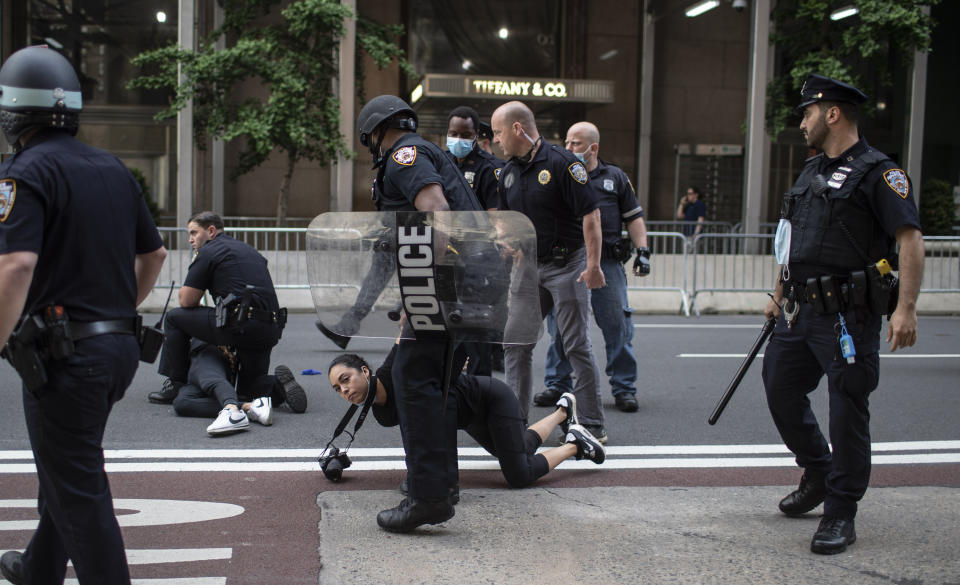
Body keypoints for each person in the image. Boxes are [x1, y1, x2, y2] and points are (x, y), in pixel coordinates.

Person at [0, 46, 167, 585]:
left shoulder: (22, 172)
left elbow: (16, 265)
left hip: (64, 354)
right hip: (118, 348)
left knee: (78, 486)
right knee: (68, 465)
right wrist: (116, 312)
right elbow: (155, 254)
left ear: (12, 114)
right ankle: (38, 569)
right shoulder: (113, 168)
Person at [761, 74, 924, 555]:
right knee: (779, 386)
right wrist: (776, 293)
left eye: (808, 112)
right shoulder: (809, 171)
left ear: (832, 114)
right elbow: (789, 238)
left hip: (848, 316)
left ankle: (840, 511)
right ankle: (818, 469)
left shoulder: (879, 173)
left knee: (847, 409)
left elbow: (910, 240)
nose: (803, 121)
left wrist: (907, 309)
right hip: (800, 310)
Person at [355, 94, 483, 532]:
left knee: (412, 381)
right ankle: (440, 485)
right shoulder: (426, 151)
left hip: (442, 284)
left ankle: (427, 497)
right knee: (435, 384)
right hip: (457, 285)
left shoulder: (403, 154)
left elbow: (435, 209)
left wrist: (432, 284)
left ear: (375, 131)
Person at [328, 347, 605, 492]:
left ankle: (575, 444)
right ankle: (563, 412)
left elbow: (406, 339)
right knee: (520, 450)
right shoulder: (380, 411)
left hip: (490, 399)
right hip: (468, 417)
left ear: (364, 371)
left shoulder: (392, 370)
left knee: (518, 475)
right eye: (338, 389)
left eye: (346, 379)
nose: (345, 390)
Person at [491, 101, 608, 442]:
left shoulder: (563, 164)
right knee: (516, 343)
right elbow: (505, 219)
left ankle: (591, 424)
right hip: (528, 266)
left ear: (517, 129)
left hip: (567, 266)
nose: (496, 140)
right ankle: (514, 422)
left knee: (575, 345)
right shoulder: (507, 172)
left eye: (499, 132)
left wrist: (593, 265)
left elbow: (591, 216)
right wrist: (505, 239)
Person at [538, 121, 651, 414]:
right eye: (567, 142)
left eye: (575, 143)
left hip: (606, 265)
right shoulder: (558, 173)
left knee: (617, 327)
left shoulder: (615, 177)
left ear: (593, 147)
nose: (569, 148)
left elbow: (634, 217)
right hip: (569, 263)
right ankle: (557, 384)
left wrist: (643, 251)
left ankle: (624, 388)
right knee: (561, 329)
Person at [150, 211, 307, 413]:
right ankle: (277, 386)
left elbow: (187, 300)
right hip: (270, 329)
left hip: (240, 325)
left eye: (193, 233)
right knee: (249, 388)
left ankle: (176, 384)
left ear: (211, 230)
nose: (190, 239)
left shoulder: (209, 251)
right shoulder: (250, 251)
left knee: (174, 318)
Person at [171, 339, 275, 435]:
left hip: (210, 347)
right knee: (182, 402)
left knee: (210, 378)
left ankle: (232, 410)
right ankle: (253, 405)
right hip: (194, 363)